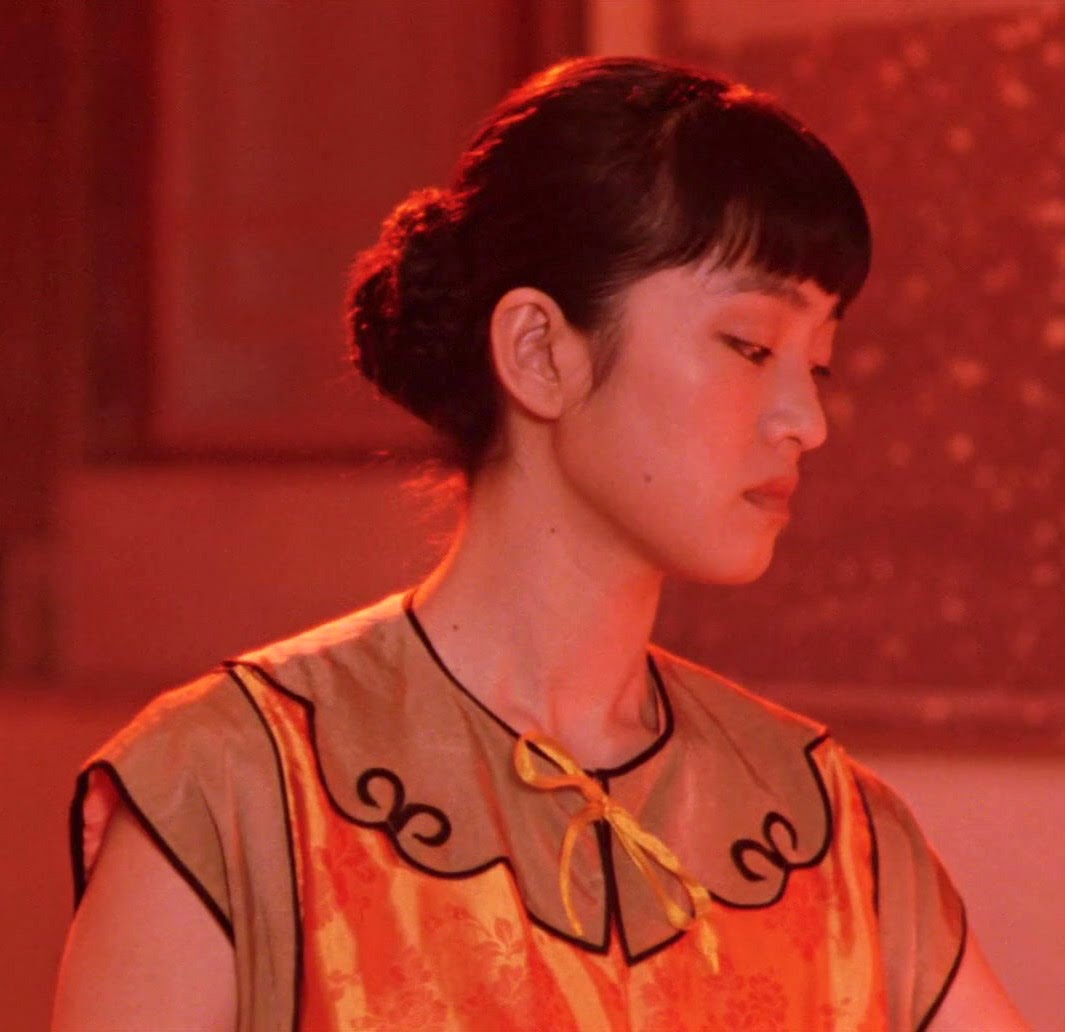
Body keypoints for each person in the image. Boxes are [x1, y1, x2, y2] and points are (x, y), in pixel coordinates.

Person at [52, 56, 1026, 1031]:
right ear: (539, 350)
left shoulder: (829, 830)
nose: (805, 422)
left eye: (819, 364)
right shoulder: (235, 789)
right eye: (752, 346)